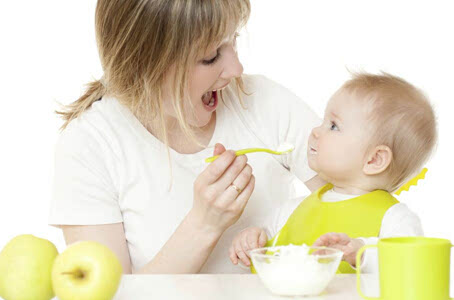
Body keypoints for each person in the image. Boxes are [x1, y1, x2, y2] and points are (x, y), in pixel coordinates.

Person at [48, 0, 325, 274]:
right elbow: (112, 295)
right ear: (144, 65)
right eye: (211, 56)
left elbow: (358, 202)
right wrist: (204, 225)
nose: (236, 69)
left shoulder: (262, 101)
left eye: (233, 40)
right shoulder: (91, 146)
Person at [230, 72, 437, 274]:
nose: (315, 131)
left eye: (333, 126)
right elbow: (264, 250)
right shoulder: (291, 211)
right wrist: (251, 241)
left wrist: (361, 254)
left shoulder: (395, 218)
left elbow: (410, 263)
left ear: (374, 160)